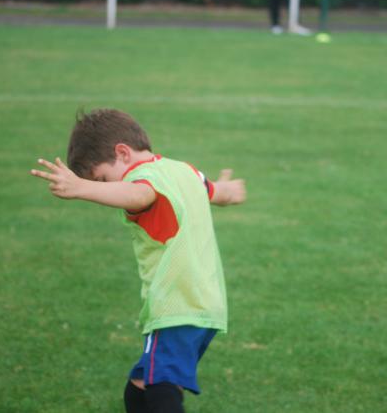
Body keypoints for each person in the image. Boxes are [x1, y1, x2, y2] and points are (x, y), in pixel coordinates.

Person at [30, 108, 246, 413]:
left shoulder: (143, 181)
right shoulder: (185, 171)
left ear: (122, 153)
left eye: (103, 178)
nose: (106, 186)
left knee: (161, 388)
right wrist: (230, 191)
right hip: (205, 304)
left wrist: (83, 188)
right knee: (139, 388)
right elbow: (213, 190)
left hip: (176, 304)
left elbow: (139, 195)